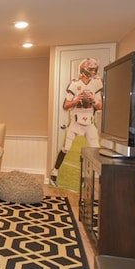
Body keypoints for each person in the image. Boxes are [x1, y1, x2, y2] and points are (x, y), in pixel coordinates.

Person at [50, 58, 103, 186]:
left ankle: (87, 178)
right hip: (75, 121)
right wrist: (77, 100)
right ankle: (55, 173)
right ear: (84, 70)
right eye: (90, 69)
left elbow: (100, 106)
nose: (93, 72)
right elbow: (66, 105)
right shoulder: (74, 84)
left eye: (94, 69)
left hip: (89, 122)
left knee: (94, 151)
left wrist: (93, 99)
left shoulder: (96, 84)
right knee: (66, 149)